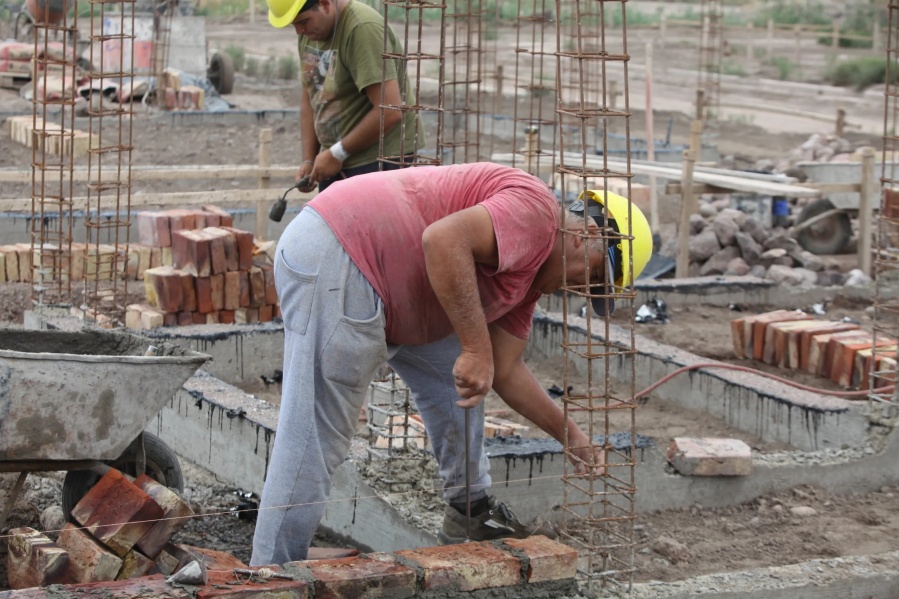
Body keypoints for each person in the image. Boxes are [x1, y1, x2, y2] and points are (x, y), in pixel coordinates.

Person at [250, 162, 652, 566]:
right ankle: (272, 572)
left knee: (458, 379)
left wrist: (571, 436)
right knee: (315, 429)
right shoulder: (537, 214)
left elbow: (506, 371)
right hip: (343, 252)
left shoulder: (529, 282)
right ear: (589, 235)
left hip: (386, 277)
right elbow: (443, 240)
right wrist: (476, 348)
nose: (578, 290)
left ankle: (470, 511)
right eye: (595, 277)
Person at [266, 0, 421, 192]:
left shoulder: (362, 29)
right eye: (294, 25)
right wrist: (310, 159)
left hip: (378, 161)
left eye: (303, 22)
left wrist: (337, 153)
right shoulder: (312, 30)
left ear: (324, 4)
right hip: (337, 158)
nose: (299, 31)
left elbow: (390, 110)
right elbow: (311, 94)